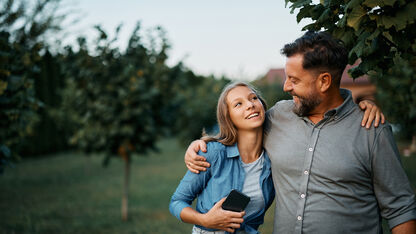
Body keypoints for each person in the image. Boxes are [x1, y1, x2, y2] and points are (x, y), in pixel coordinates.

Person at [185, 31, 416, 234]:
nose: (285, 86)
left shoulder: (370, 130)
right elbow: (236, 129)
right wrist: (199, 144)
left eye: (294, 80)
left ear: (324, 81)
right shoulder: (277, 117)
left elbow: (401, 208)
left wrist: (365, 103)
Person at [169, 82, 275, 234]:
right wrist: (204, 220)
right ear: (228, 118)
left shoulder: (273, 160)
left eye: (253, 98)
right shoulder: (213, 153)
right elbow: (176, 202)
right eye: (238, 104)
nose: (250, 105)